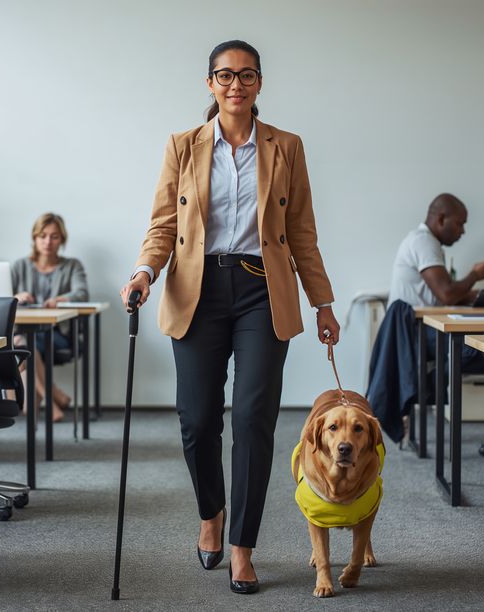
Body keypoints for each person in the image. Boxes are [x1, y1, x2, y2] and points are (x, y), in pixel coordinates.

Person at [119, 40, 339, 595]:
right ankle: (210, 513)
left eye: (246, 75)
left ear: (260, 83)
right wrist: (145, 271)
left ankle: (242, 545)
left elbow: (303, 235)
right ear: (210, 84)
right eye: (224, 75)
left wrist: (322, 303)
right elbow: (162, 225)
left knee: (253, 420)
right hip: (198, 287)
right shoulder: (183, 146)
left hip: (264, 289)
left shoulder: (286, 147)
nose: (235, 84)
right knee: (196, 421)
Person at [10, 213, 89, 422]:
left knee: (23, 344)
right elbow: (1, 296)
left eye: (54, 236)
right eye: (43, 235)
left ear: (62, 239)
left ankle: (34, 403)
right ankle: (52, 396)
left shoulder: (72, 266)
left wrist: (61, 299)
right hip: (26, 331)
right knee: (25, 341)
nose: (47, 241)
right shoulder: (19, 266)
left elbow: (82, 293)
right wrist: (16, 297)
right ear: (34, 238)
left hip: (58, 333)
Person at [388, 193, 484, 308]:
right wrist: (475, 275)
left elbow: (440, 297)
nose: (463, 231)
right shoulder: (424, 241)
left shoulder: (425, 241)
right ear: (441, 219)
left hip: (413, 322)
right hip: (411, 325)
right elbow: (447, 295)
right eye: (459, 224)